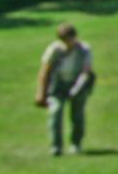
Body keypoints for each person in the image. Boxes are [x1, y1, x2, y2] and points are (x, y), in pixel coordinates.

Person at [36, 22, 96, 156]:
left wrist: (76, 89)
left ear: (75, 37)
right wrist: (41, 93)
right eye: (64, 41)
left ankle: (76, 144)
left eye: (69, 40)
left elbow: (86, 71)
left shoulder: (84, 49)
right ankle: (56, 147)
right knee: (55, 112)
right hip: (58, 85)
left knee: (77, 115)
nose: (67, 44)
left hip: (79, 84)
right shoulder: (54, 50)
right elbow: (44, 71)